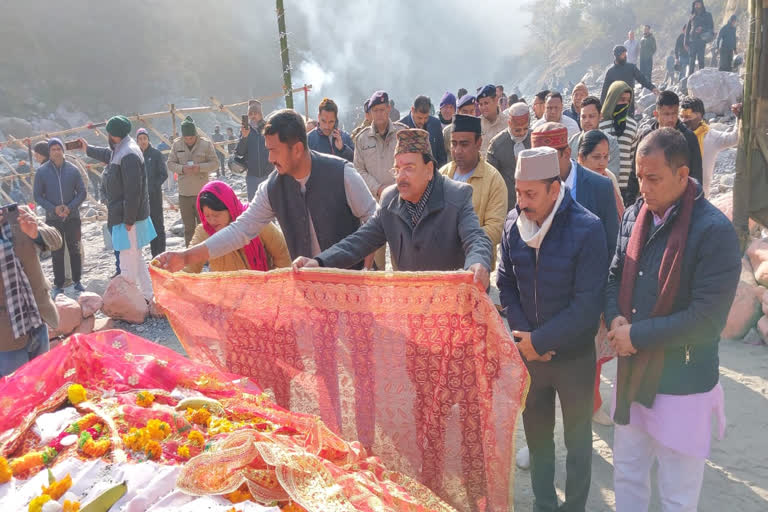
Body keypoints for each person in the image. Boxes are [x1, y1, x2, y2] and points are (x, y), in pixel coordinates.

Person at [605, 128, 740, 512]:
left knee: (677, 493)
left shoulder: (714, 232)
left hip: (682, 383)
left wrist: (636, 337)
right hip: (633, 375)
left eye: (654, 178)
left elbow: (705, 320)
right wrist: (614, 317)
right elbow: (616, 274)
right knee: (628, 474)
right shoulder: (635, 215)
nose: (643, 188)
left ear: (683, 176)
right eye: (640, 177)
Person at [498, 146, 608, 512]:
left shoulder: (587, 228)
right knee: (538, 438)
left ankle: (574, 506)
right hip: (530, 357)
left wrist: (540, 340)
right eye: (518, 192)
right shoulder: (514, 225)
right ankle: (544, 504)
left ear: (555, 190)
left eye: (531, 194)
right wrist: (524, 338)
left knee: (578, 441)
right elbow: (507, 284)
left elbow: (587, 305)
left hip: (574, 357)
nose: (522, 202)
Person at [156, 109, 377, 273]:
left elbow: (374, 220)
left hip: (350, 282)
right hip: (307, 285)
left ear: (297, 149)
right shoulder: (273, 188)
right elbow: (241, 230)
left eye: (274, 151)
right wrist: (185, 257)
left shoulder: (342, 174)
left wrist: (366, 265)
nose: (270, 159)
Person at [291, 128, 492, 289]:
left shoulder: (457, 196)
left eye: (409, 168)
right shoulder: (390, 200)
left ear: (429, 169)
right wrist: (319, 262)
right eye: (397, 169)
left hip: (450, 303)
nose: (400, 177)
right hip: (411, 304)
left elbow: (476, 238)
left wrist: (477, 262)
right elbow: (359, 241)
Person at [81, 116, 155, 300]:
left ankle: (129, 303)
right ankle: (147, 296)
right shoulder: (123, 148)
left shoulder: (128, 153)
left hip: (128, 217)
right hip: (127, 215)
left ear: (112, 135)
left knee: (127, 262)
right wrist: (87, 149)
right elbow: (109, 155)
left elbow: (133, 191)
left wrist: (129, 219)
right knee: (137, 258)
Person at [532, 123, 619, 257]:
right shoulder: (530, 188)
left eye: (547, 160)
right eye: (536, 162)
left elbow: (611, 246)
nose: (541, 168)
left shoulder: (601, 187)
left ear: (566, 153)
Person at [0, 204, 62, 377]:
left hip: (36, 319)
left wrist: (36, 234)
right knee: (14, 393)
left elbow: (56, 240)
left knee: (42, 381)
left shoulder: (18, 214)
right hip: (6, 334)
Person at [440, 114, 507, 267]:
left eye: (464, 144)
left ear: (478, 143)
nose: (457, 150)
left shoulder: (493, 180)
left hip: (475, 266)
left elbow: (495, 228)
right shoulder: (442, 175)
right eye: (454, 144)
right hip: (443, 265)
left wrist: (461, 241)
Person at [184, 181, 290, 273]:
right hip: (228, 293)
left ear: (230, 209)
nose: (212, 221)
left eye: (216, 215)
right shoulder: (204, 232)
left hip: (264, 289)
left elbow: (283, 254)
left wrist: (275, 284)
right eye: (207, 216)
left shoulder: (254, 221)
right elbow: (190, 264)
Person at [628, 91, 703, 205]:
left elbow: (695, 175)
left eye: (674, 114)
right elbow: (635, 172)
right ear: (656, 114)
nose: (671, 119)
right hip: (649, 199)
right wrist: (630, 202)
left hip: (678, 202)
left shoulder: (688, 138)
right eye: (666, 114)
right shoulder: (646, 137)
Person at [33, 138, 86, 295]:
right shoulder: (42, 172)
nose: (56, 152)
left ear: (63, 150)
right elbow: (38, 196)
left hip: (72, 216)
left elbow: (82, 192)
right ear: (49, 153)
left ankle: (77, 281)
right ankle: (58, 285)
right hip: (53, 218)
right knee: (57, 251)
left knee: (75, 248)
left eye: (58, 149)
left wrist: (69, 207)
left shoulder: (73, 170)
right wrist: (53, 208)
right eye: (53, 149)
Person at [166, 116, 219, 246]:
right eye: (186, 138)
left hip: (202, 193)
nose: (189, 140)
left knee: (204, 226)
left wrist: (200, 168)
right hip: (185, 194)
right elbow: (170, 163)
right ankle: (191, 255)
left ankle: (207, 254)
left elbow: (215, 163)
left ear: (196, 135)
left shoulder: (206, 144)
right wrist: (182, 169)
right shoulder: (177, 144)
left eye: (191, 137)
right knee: (189, 228)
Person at [680, 96, 740, 197]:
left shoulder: (712, 137)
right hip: (678, 195)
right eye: (682, 116)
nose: (683, 120)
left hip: (701, 196)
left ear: (700, 116)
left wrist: (739, 116)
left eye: (688, 116)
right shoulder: (677, 136)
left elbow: (735, 138)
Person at [599, 81, 640, 205]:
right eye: (621, 99)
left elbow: (633, 157)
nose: (625, 104)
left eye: (627, 101)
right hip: (603, 183)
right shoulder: (600, 124)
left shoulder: (632, 125)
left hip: (625, 187)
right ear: (612, 98)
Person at [487, 102, 531, 213]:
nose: (522, 133)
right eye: (517, 130)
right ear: (509, 124)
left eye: (525, 129)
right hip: (508, 205)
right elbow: (490, 179)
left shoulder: (534, 139)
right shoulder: (497, 145)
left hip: (532, 202)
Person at [569, 96, 620, 180]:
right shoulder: (571, 143)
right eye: (583, 117)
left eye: (591, 116)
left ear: (600, 116)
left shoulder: (611, 142)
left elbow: (613, 175)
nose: (587, 120)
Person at [136, 128, 168, 257]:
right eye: (140, 139)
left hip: (154, 196)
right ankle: (154, 255)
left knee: (158, 225)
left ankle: (162, 254)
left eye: (145, 138)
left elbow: (163, 174)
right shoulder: (136, 155)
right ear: (137, 141)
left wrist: (153, 187)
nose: (143, 141)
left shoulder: (156, 154)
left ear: (148, 139)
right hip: (142, 199)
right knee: (148, 226)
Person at [601, 46, 659, 116]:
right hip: (615, 105)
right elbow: (605, 91)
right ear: (617, 55)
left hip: (629, 103)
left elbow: (642, 78)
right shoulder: (610, 72)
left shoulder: (631, 67)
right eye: (623, 55)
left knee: (630, 122)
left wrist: (652, 88)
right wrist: (601, 108)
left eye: (626, 54)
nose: (625, 56)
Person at [235, 101, 274, 201]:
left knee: (270, 206)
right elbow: (239, 153)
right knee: (253, 206)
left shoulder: (268, 128)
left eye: (255, 113)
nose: (253, 116)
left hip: (268, 174)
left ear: (261, 114)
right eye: (250, 114)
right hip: (252, 176)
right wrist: (244, 137)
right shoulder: (245, 130)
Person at [400, 95, 448, 168]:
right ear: (413, 110)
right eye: (419, 118)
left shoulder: (435, 124)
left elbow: (441, 155)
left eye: (426, 118)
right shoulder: (401, 127)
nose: (422, 121)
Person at [307, 97, 355, 162]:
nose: (327, 126)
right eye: (323, 121)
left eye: (331, 122)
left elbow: (356, 162)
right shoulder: (309, 139)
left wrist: (342, 148)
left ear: (336, 120)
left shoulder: (345, 137)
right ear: (318, 117)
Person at [477, 85, 508, 158]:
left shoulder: (507, 123)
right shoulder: (476, 125)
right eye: (481, 104)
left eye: (486, 103)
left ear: (496, 100)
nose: (483, 107)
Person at [443, 94, 477, 161]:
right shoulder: (447, 132)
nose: (468, 115)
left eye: (471, 111)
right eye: (465, 112)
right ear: (458, 112)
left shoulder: (480, 130)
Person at [685, 0, 714, 76]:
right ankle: (690, 77)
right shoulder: (692, 16)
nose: (697, 5)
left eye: (698, 4)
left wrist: (702, 28)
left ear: (702, 4)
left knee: (701, 59)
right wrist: (685, 42)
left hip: (701, 40)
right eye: (695, 4)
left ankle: (702, 77)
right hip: (692, 40)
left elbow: (711, 27)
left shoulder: (707, 15)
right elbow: (687, 29)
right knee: (691, 60)